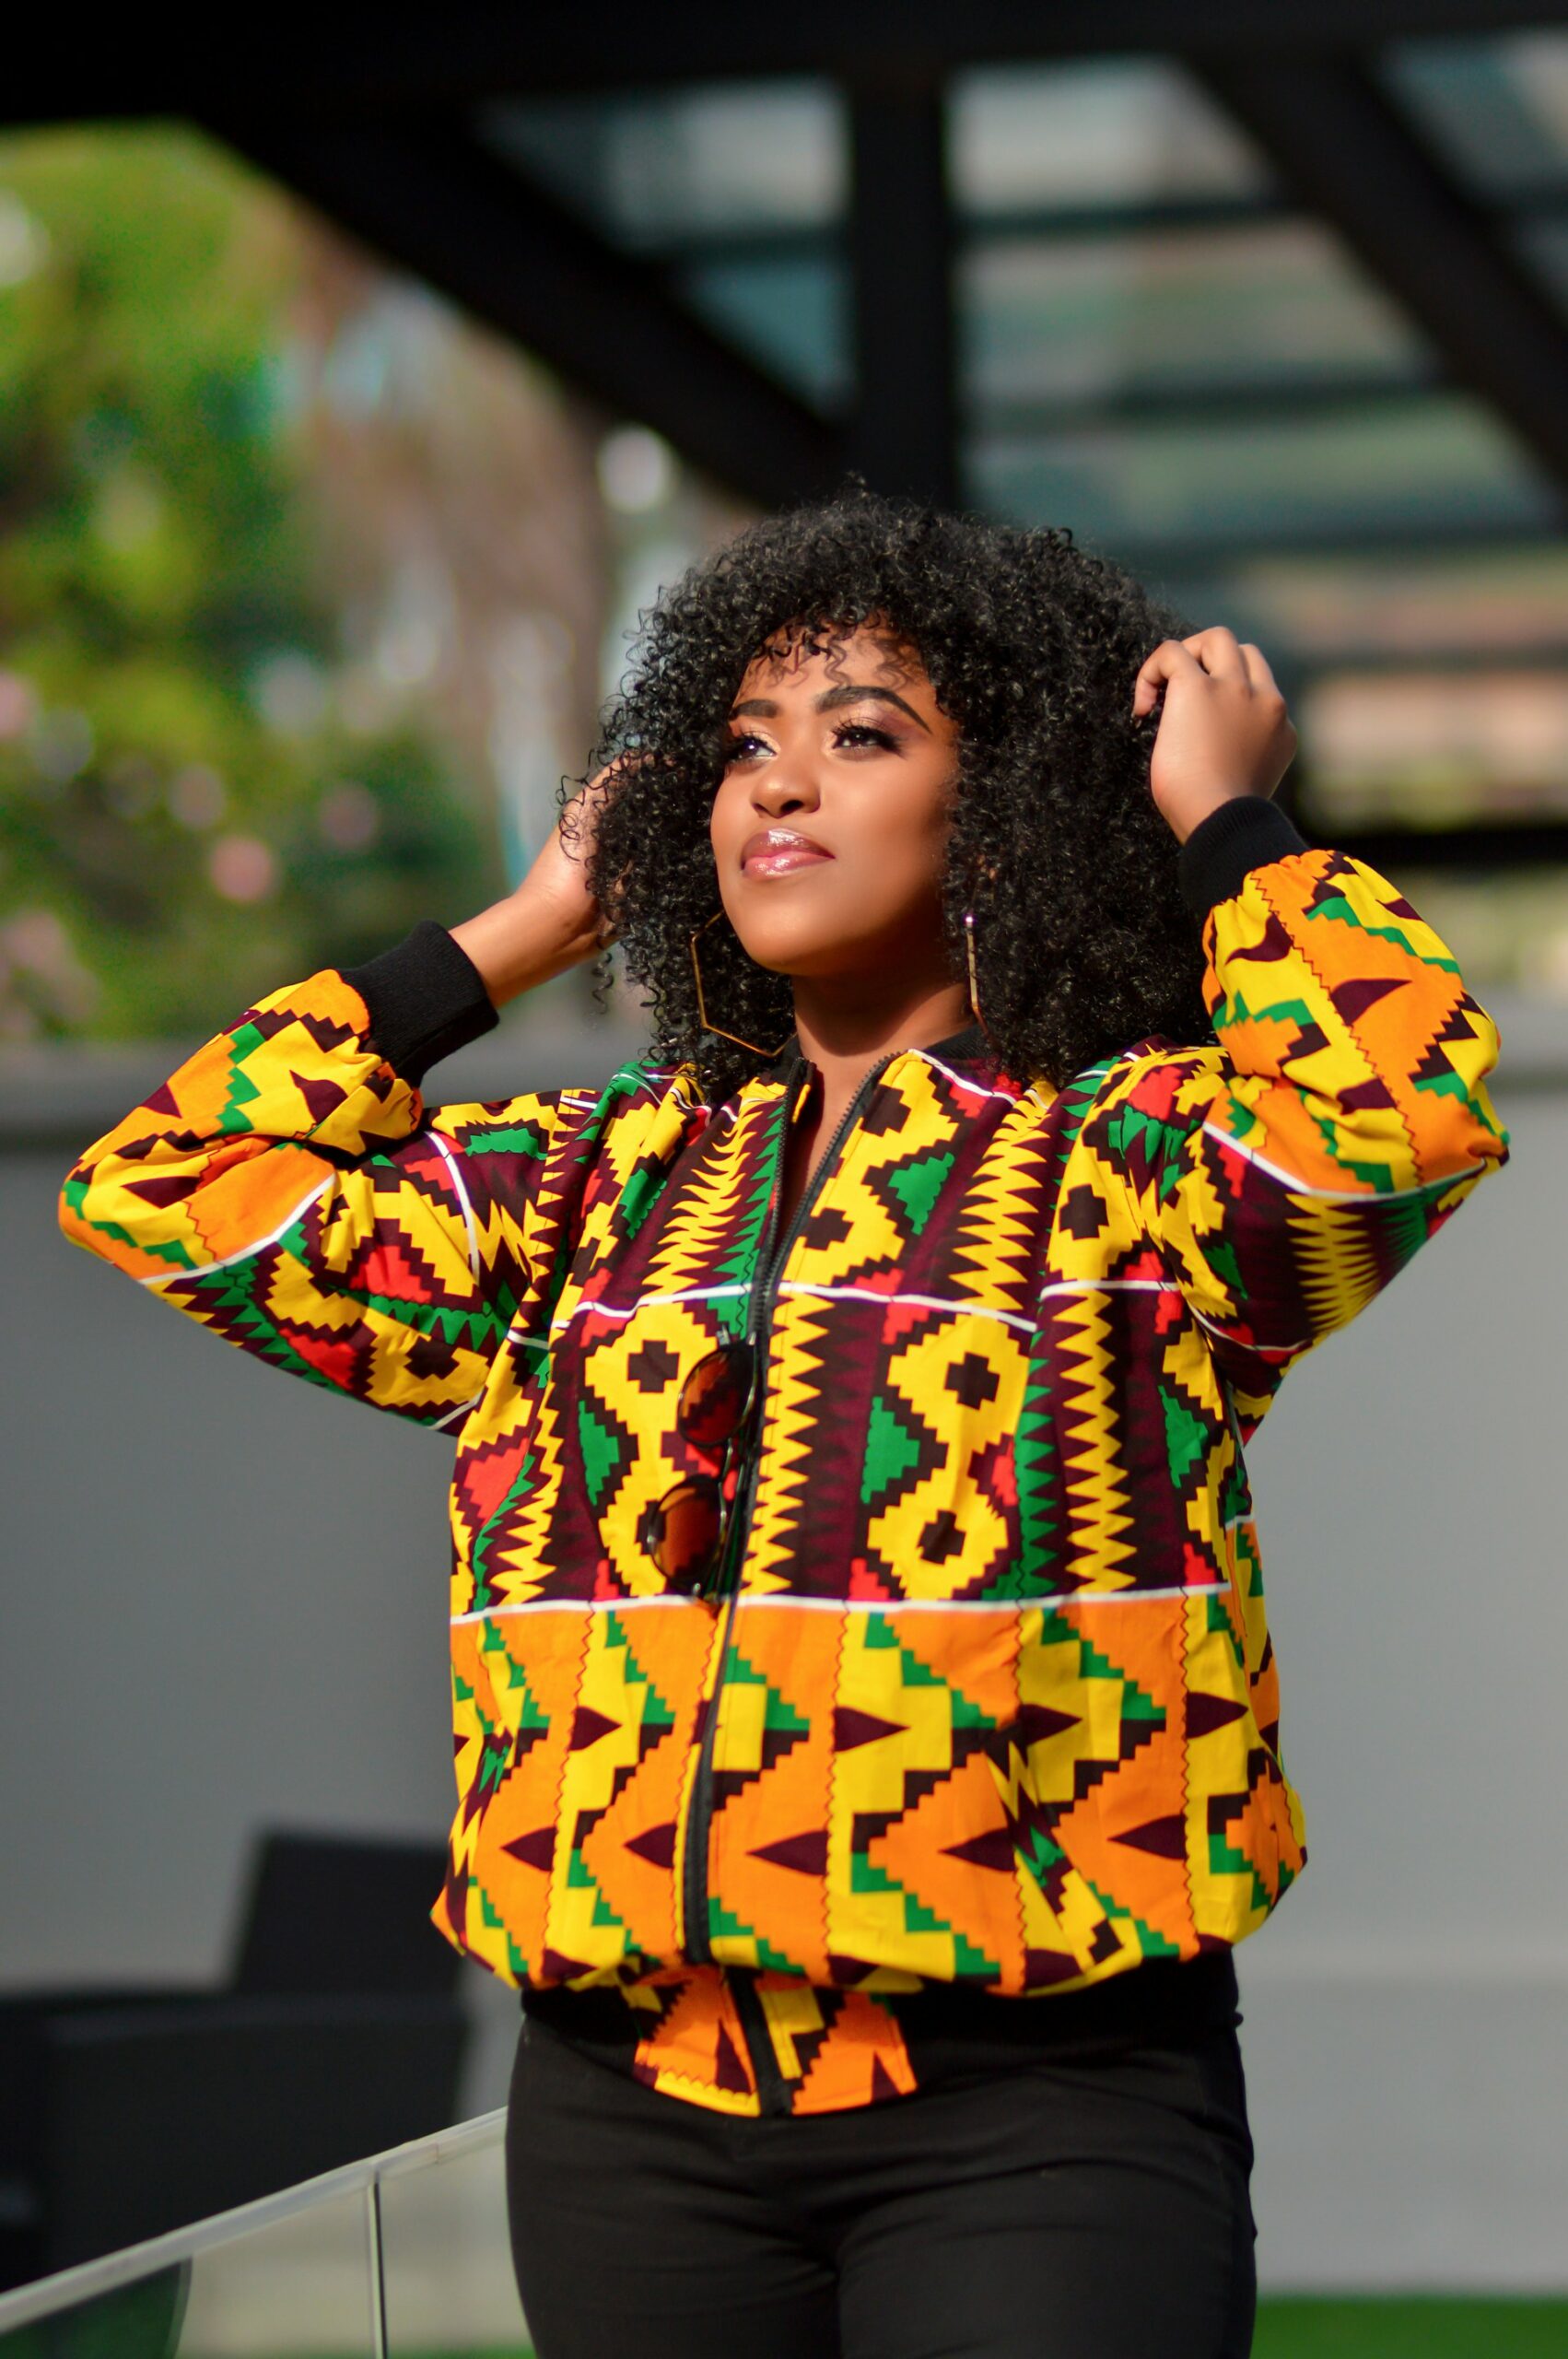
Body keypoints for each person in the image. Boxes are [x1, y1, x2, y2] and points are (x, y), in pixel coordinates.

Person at [62, 489, 1510, 2359]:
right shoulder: (580, 1184)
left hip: (1037, 2110)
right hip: (626, 2123)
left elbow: (1396, 1109)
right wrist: (530, 922)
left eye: (862, 734)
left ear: (1003, 814)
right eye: (745, 743)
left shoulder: (1129, 1166)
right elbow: (169, 1180)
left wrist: (1223, 818)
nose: (778, 783)